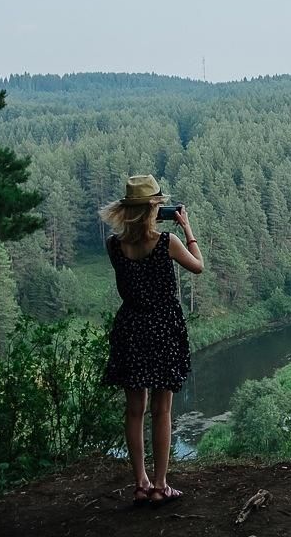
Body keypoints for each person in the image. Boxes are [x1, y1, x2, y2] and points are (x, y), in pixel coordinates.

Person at [99, 174, 204, 506]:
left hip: (130, 328)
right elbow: (198, 267)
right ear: (153, 209)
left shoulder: (114, 245)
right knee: (162, 409)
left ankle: (141, 484)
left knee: (134, 410)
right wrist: (187, 228)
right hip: (163, 328)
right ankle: (160, 485)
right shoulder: (166, 242)